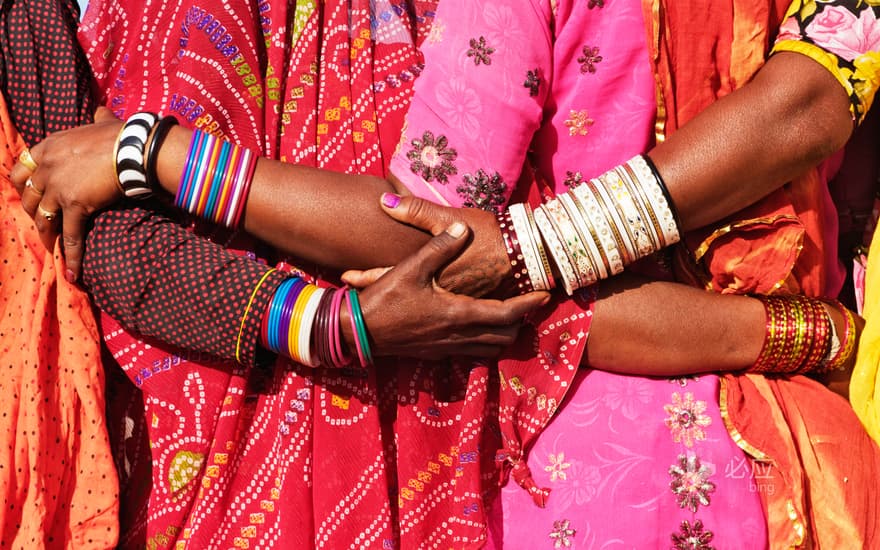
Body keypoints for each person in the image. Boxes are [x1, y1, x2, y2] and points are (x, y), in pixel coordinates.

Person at [11, 0, 880, 548]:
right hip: (800, 440)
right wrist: (799, 333)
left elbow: (427, 241)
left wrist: (157, 154)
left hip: (554, 442)